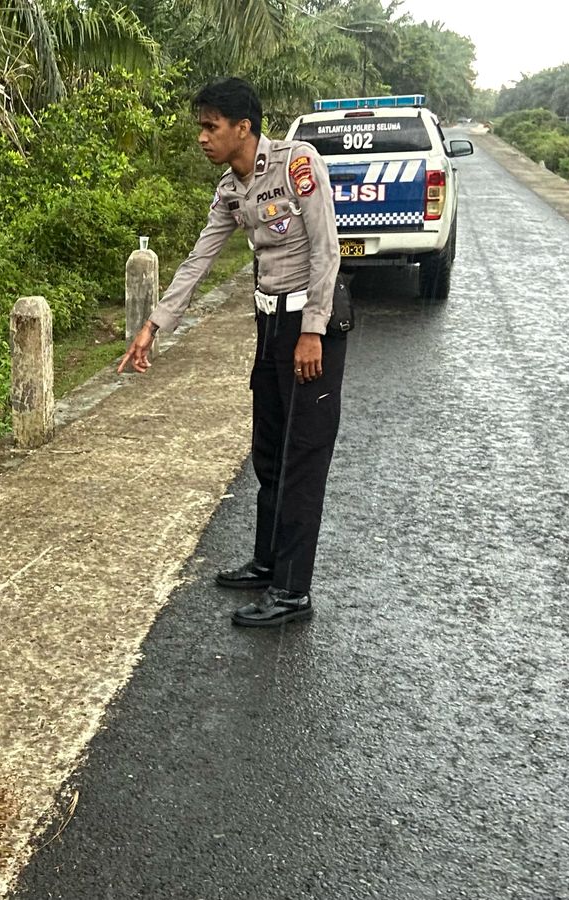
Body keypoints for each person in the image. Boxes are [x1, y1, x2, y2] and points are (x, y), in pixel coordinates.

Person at [119, 77, 349, 628]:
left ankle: (292, 592)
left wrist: (313, 329)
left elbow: (326, 248)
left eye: (210, 126)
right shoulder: (230, 189)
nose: (202, 136)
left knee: (301, 458)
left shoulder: (297, 165)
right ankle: (269, 563)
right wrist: (154, 325)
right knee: (269, 450)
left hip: (310, 323)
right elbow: (199, 259)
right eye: (201, 126)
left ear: (242, 128)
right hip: (270, 323)